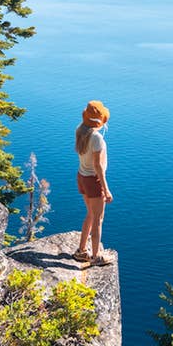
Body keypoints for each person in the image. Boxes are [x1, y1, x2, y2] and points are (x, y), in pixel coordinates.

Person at [73, 99, 113, 267]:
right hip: (93, 181)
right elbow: (98, 166)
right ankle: (96, 256)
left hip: (82, 176)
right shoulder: (96, 138)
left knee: (90, 214)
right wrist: (106, 189)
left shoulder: (80, 130)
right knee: (98, 219)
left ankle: (82, 251)